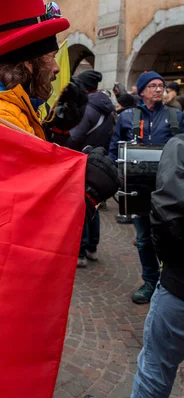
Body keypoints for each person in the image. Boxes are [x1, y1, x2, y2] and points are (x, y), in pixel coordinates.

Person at [0, 0, 119, 223]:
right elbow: (13, 218)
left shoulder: (7, 107)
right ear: (28, 63)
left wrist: (55, 131)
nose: (56, 68)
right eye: (51, 57)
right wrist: (84, 197)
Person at [83, 134, 184, 398]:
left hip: (180, 289)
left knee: (157, 367)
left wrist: (170, 265)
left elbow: (170, 218)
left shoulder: (179, 146)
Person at [109, 71, 183, 304]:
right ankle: (150, 281)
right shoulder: (127, 117)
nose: (158, 89)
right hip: (139, 190)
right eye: (152, 86)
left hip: (168, 189)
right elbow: (115, 151)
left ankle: (169, 281)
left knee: (172, 235)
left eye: (161, 85)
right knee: (143, 238)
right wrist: (116, 178)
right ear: (141, 91)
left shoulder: (177, 116)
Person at [67, 70, 115, 267]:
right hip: (98, 160)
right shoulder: (107, 107)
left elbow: (75, 137)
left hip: (81, 160)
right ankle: (93, 247)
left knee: (81, 206)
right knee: (93, 204)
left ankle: (80, 252)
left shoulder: (88, 107)